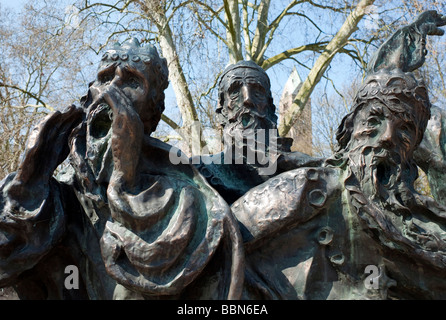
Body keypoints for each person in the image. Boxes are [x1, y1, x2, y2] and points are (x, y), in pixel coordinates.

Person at [0, 38, 244, 300]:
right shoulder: (56, 194)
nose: (112, 90)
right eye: (105, 78)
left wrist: (124, 177)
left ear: (151, 110)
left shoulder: (182, 194)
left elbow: (152, 271)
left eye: (131, 81)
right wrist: (30, 177)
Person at [230, 11, 446, 299]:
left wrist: (438, 165)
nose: (387, 136)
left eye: (405, 130)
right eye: (374, 121)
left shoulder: (420, 222)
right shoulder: (306, 188)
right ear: (351, 125)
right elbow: (224, 245)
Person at [191, 60, 322, 204]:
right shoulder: (198, 172)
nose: (247, 99)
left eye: (257, 92)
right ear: (222, 112)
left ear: (271, 109)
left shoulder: (308, 171)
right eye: (235, 92)